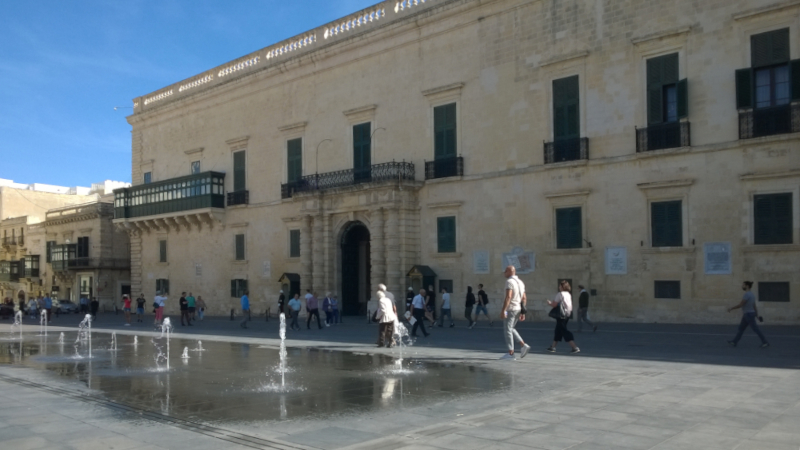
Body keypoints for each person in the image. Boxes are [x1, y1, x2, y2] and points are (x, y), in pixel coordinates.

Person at [500, 266, 530, 360]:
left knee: (507, 330)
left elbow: (508, 297)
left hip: (511, 308)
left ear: (510, 271)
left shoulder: (509, 281)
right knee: (511, 328)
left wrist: (503, 310)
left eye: (505, 271)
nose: (504, 273)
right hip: (518, 308)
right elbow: (524, 298)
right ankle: (523, 345)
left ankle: (511, 353)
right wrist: (523, 312)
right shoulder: (521, 282)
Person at [728, 281, 769, 348]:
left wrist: (731, 308)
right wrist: (757, 315)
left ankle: (765, 342)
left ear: (747, 286)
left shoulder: (747, 295)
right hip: (747, 314)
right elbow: (754, 306)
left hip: (748, 315)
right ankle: (734, 342)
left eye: (743, 285)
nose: (742, 286)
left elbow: (741, 304)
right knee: (741, 329)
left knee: (756, 329)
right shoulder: (752, 295)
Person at [546, 280, 580, 354]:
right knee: (558, 330)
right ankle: (553, 347)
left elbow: (554, 304)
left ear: (562, 287)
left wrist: (549, 303)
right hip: (567, 314)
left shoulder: (560, 294)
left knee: (564, 330)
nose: (559, 287)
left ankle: (574, 347)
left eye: (560, 286)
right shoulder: (568, 294)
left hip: (561, 315)